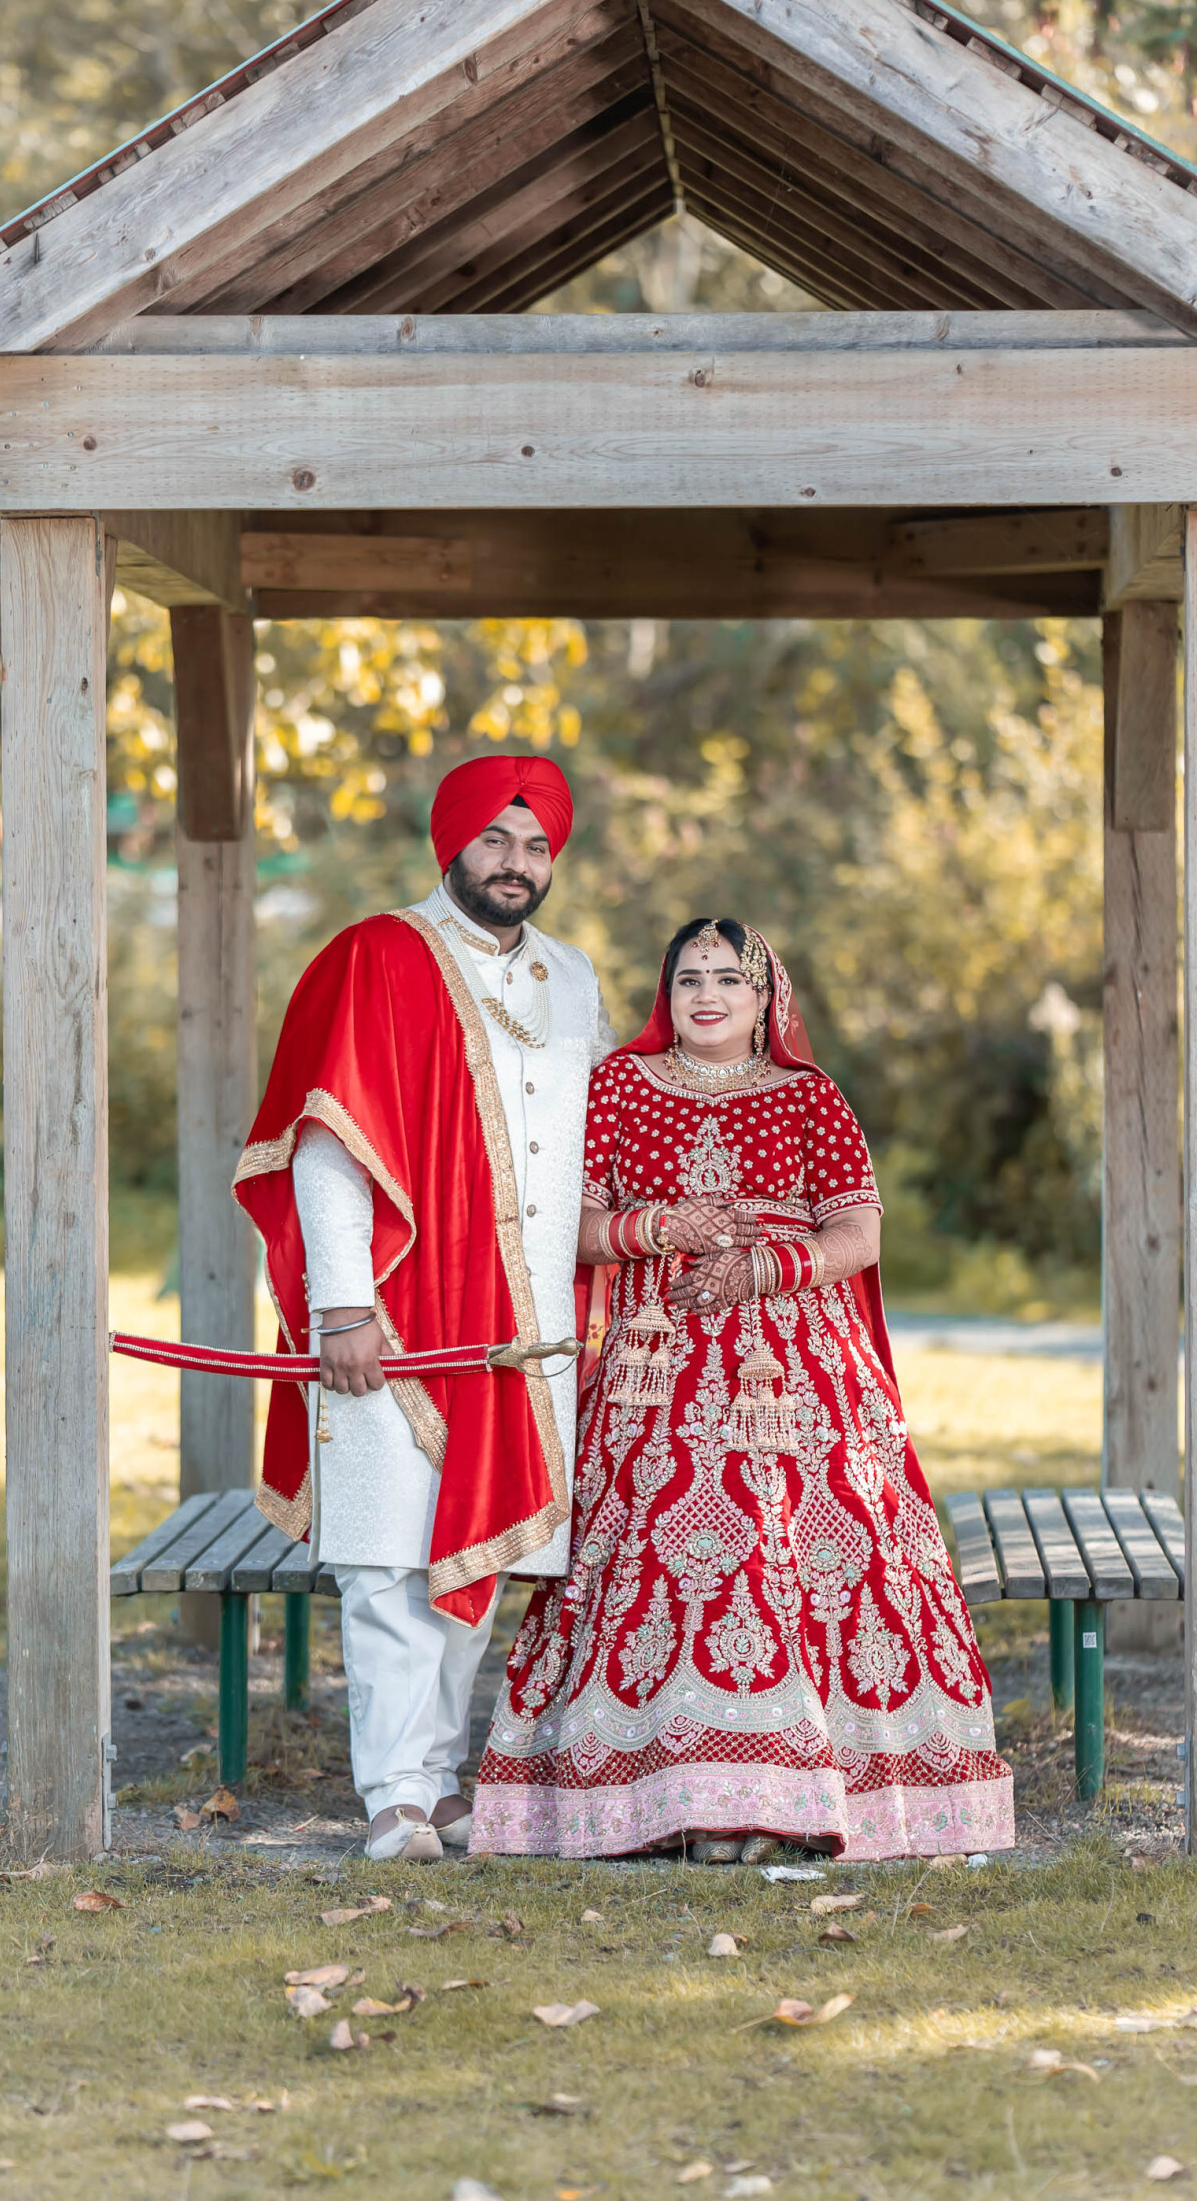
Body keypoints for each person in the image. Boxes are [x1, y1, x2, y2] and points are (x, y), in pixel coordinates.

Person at [470, 917, 1014, 1864]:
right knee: (659, 1547)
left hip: (796, 1365)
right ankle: (665, 1799)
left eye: (728, 978)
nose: (707, 995)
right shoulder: (619, 1089)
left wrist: (762, 1268)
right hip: (654, 1361)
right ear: (665, 995)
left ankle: (806, 1795)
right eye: (688, 979)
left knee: (809, 1544)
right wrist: (659, 1226)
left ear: (768, 1000)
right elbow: (573, 1223)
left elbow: (860, 1235)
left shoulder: (811, 1099)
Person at [234, 753, 613, 1863]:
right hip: (396, 1315)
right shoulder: (376, 956)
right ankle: (394, 1795)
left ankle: (442, 1780)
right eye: (495, 841)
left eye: (535, 844)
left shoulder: (571, 976)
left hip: (523, 1324)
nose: (515, 864)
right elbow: (325, 1145)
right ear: (450, 843)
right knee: (386, 1556)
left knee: (480, 1554)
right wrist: (340, 1305)